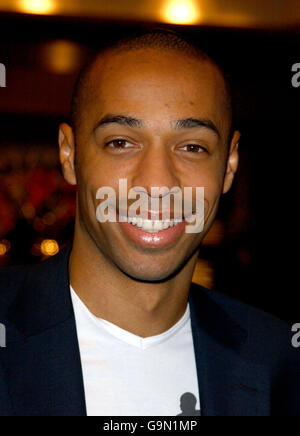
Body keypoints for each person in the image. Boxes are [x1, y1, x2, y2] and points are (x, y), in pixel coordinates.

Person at [0, 29, 299, 416]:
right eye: (121, 142)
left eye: (192, 147)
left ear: (229, 165)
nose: (157, 183)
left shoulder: (281, 363)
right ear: (70, 154)